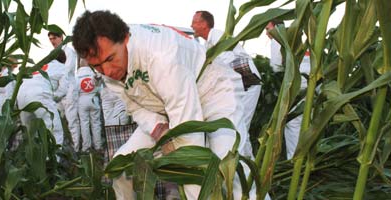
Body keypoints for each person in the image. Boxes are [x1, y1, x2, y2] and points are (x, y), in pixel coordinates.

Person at [72, 10, 249, 200]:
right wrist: (160, 129)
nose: (106, 71)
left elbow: (188, 136)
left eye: (109, 59)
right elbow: (135, 106)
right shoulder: (108, 68)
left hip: (213, 93)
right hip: (164, 108)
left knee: (229, 167)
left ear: (125, 38)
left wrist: (182, 160)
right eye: (97, 66)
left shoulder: (161, 55)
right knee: (121, 169)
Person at [191, 10, 265, 200]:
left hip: (246, 84)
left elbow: (222, 64)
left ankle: (246, 179)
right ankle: (249, 171)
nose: (192, 26)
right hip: (237, 84)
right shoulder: (208, 42)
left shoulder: (218, 37)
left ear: (205, 24)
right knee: (240, 131)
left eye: (195, 22)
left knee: (238, 130)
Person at [265, 19, 311, 159]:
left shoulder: (277, 40)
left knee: (293, 124)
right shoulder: (299, 41)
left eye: (268, 29)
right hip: (312, 85)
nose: (266, 33)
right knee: (308, 123)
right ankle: (308, 159)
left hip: (297, 86)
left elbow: (276, 68)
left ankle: (294, 161)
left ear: (276, 28)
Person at [16, 51, 66, 146]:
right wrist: (53, 97)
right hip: (40, 94)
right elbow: (63, 90)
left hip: (21, 95)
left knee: (29, 133)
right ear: (63, 60)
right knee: (54, 130)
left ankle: (30, 158)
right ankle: (53, 159)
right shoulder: (62, 67)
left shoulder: (38, 66)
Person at [48, 31, 81, 147]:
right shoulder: (53, 53)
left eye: (54, 38)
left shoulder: (69, 52)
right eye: (50, 39)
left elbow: (66, 72)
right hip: (57, 92)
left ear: (61, 37)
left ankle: (76, 148)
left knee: (72, 120)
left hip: (69, 90)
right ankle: (62, 146)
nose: (52, 41)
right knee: (57, 119)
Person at [75, 59, 102, 152]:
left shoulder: (76, 77)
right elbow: (99, 89)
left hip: (82, 100)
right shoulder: (93, 75)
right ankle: (98, 146)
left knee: (84, 124)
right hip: (94, 99)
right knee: (96, 123)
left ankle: (86, 147)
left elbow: (74, 91)